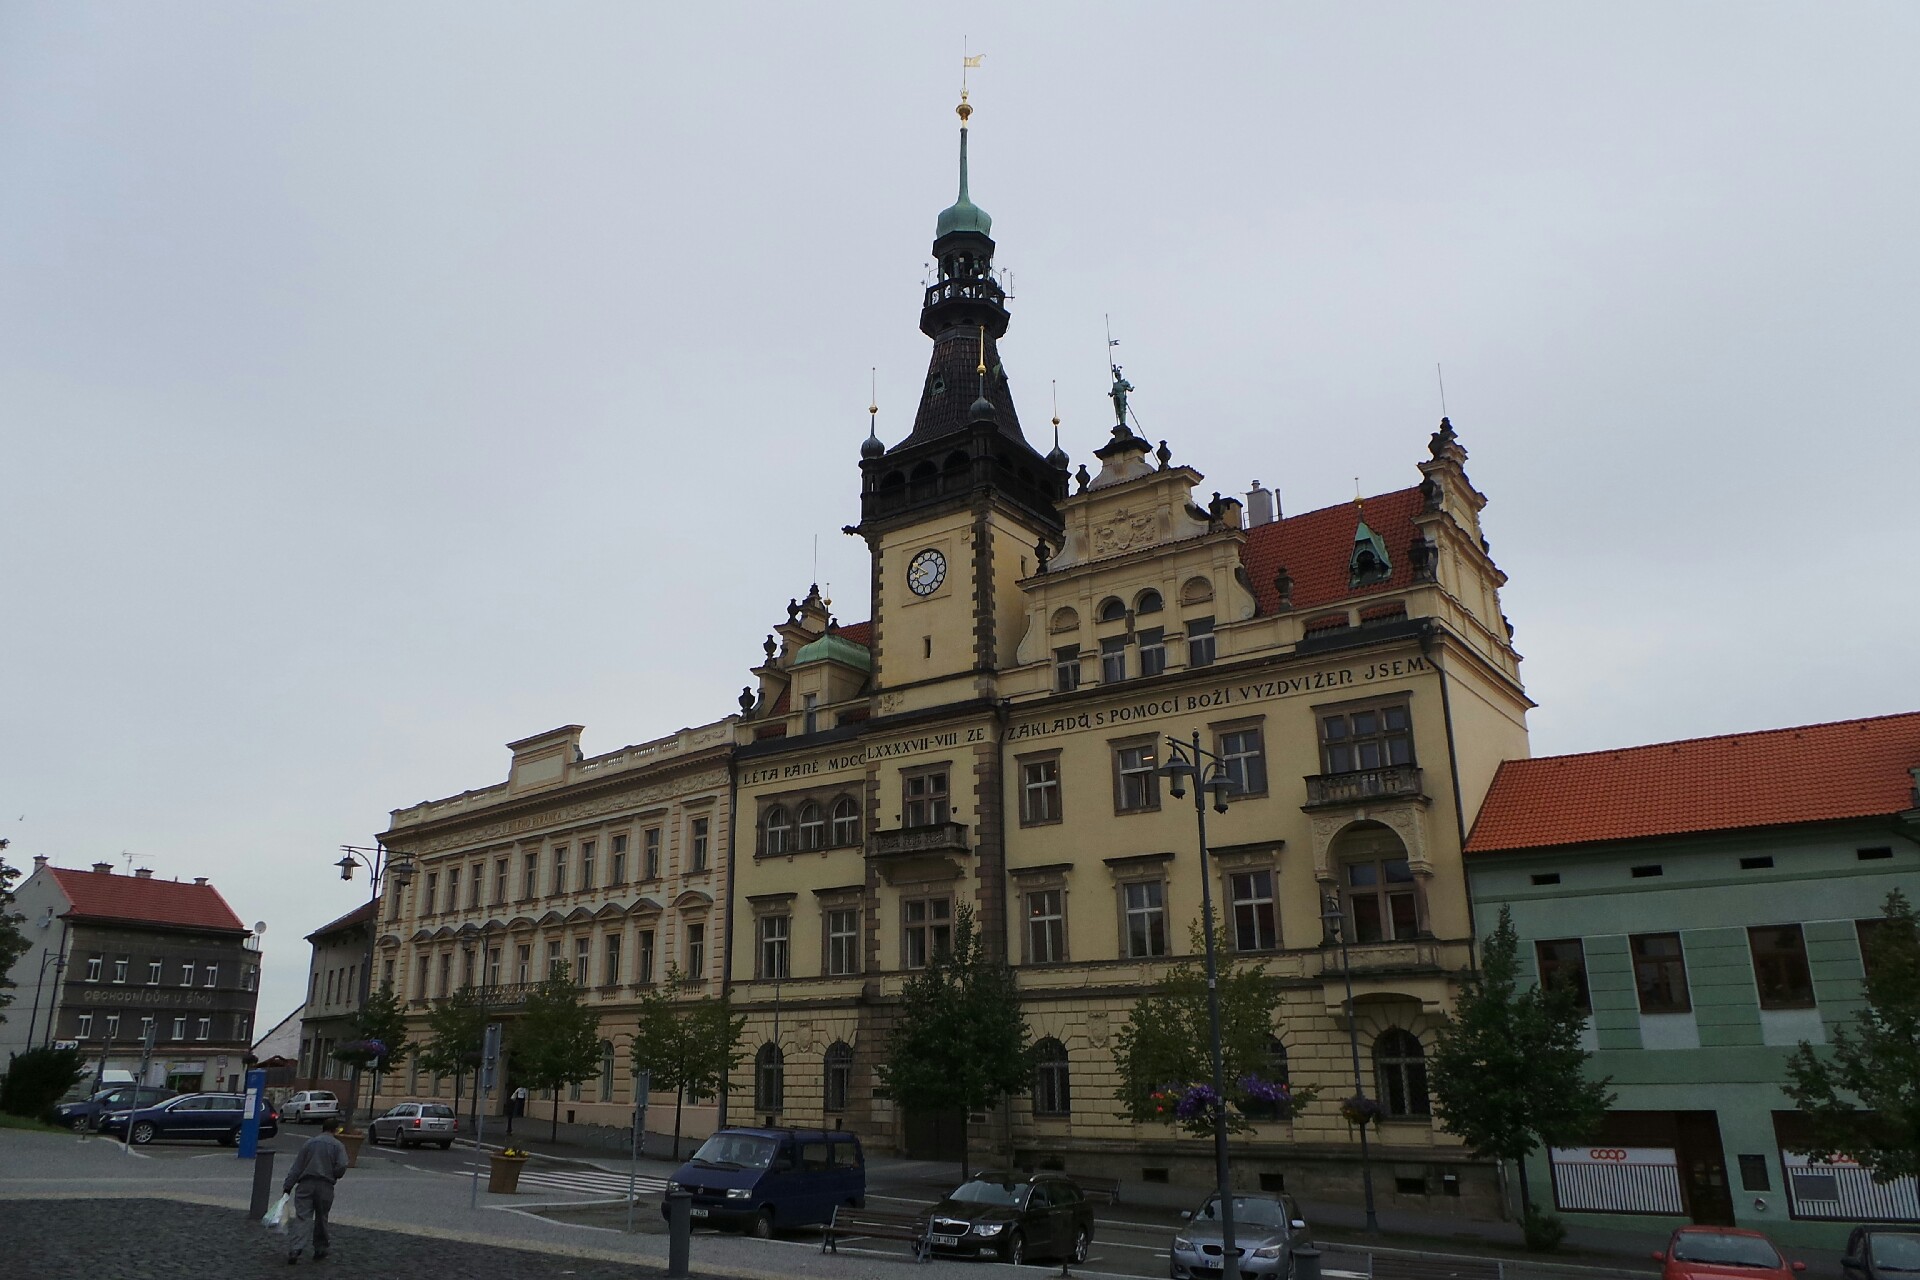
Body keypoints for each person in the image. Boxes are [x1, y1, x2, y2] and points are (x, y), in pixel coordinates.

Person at [282, 1115, 349, 1264]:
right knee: (321, 1217)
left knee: (302, 1217)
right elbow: (342, 1165)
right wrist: (335, 1174)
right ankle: (320, 1248)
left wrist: (288, 1186)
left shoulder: (309, 1143)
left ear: (322, 1128)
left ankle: (296, 1248)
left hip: (305, 1184)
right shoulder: (338, 1146)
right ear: (335, 1130)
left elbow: (297, 1167)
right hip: (325, 1185)